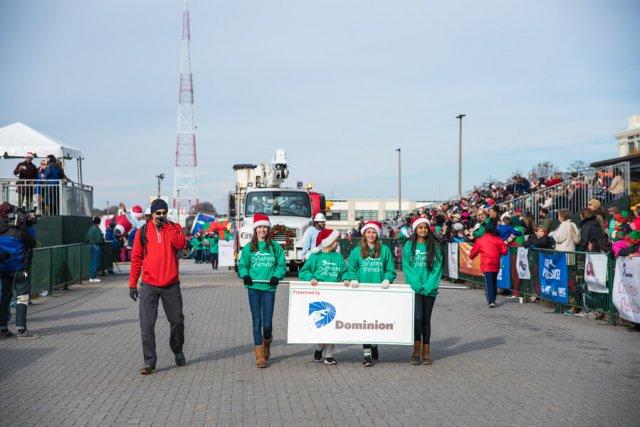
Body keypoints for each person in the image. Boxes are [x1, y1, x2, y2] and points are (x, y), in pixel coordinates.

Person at [128, 199, 187, 375]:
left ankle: (178, 350)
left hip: (171, 284)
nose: (161, 216)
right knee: (146, 325)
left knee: (177, 322)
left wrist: (168, 227)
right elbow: (136, 258)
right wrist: (132, 284)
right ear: (151, 214)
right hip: (149, 285)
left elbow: (181, 244)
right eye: (158, 213)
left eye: (164, 213)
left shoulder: (174, 227)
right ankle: (149, 361)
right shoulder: (143, 232)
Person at [238, 213, 286, 369]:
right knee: (256, 322)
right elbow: (243, 265)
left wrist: (276, 276)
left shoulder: (275, 247)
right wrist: (245, 275)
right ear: (255, 229)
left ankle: (267, 343)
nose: (262, 230)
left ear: (268, 228)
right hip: (253, 288)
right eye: (260, 227)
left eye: (265, 226)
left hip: (268, 289)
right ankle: (260, 356)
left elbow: (280, 266)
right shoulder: (249, 248)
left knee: (267, 324)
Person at [346, 220, 397, 367]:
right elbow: (351, 268)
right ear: (364, 234)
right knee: (365, 322)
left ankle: (374, 344)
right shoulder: (357, 251)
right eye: (368, 232)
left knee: (376, 321)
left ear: (378, 234)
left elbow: (390, 269)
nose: (371, 235)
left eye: (374, 232)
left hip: (380, 292)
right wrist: (354, 278)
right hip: (362, 292)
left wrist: (387, 279)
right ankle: (367, 353)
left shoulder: (385, 250)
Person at [299, 228, 349, 365]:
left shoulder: (338, 257)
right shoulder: (315, 257)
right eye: (335, 241)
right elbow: (304, 272)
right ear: (328, 242)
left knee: (332, 325)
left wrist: (345, 279)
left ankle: (329, 355)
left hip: (334, 295)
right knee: (322, 324)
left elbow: (345, 271)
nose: (337, 243)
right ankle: (320, 346)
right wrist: (311, 278)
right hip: (319, 295)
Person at [402, 217, 443, 366]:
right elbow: (407, 266)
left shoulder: (435, 246)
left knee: (426, 319)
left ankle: (426, 351)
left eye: (425, 227)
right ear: (415, 229)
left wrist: (429, 284)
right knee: (417, 318)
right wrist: (417, 283)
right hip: (415, 288)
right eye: (420, 228)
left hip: (430, 288)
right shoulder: (409, 245)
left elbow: (438, 266)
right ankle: (416, 349)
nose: (423, 230)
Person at [0, 203, 37, 339]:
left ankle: (2, 329)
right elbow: (32, 243)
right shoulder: (20, 229)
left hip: (3, 268)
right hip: (20, 268)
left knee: (4, 298)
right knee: (22, 298)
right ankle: (21, 330)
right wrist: (29, 224)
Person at [469, 222, 507, 308]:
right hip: (496, 263)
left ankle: (491, 301)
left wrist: (471, 257)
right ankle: (493, 299)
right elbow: (505, 251)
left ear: (485, 230)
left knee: (488, 282)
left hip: (486, 264)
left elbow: (473, 252)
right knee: (494, 281)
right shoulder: (498, 240)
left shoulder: (480, 240)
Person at [85, 217, 105, 283]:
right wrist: (102, 239)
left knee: (92, 262)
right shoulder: (97, 229)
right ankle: (93, 277)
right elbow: (99, 240)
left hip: (90, 245)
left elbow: (86, 237)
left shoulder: (91, 228)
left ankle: (91, 277)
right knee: (95, 262)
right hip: (96, 246)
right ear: (99, 222)